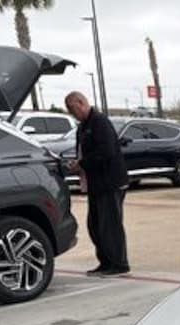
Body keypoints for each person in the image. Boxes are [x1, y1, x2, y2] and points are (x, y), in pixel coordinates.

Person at [64, 91, 130, 276]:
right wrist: (76, 163)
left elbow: (106, 151)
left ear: (81, 102)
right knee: (95, 226)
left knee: (110, 226)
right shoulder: (83, 126)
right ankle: (106, 262)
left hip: (110, 183)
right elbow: (83, 151)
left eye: (72, 108)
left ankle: (119, 264)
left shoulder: (99, 122)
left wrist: (82, 164)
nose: (72, 113)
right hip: (95, 184)